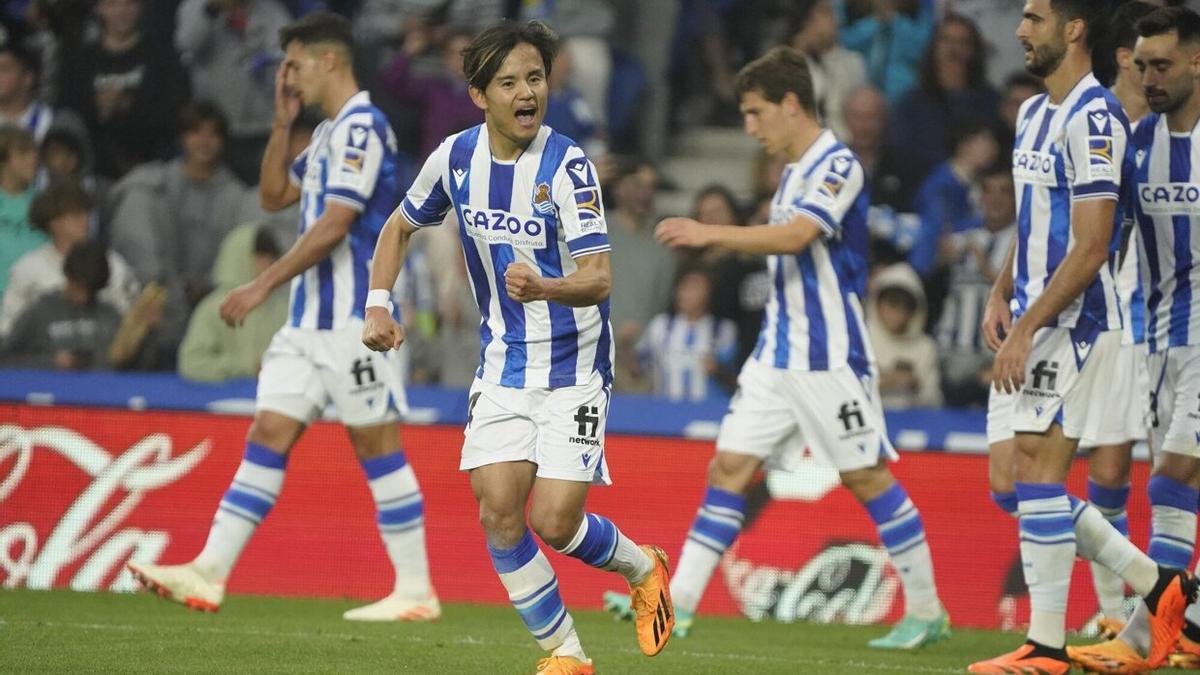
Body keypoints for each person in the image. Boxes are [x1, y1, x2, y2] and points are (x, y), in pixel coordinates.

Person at [604, 45, 951, 651]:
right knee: (729, 469)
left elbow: (796, 237)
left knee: (867, 477)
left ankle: (927, 610)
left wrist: (709, 230)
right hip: (776, 354)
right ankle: (678, 605)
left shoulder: (837, 163)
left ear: (791, 103)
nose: (749, 126)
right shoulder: (792, 171)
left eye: (755, 111)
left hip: (828, 356)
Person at [361, 20, 674, 675]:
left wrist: (544, 284)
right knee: (500, 514)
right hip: (503, 361)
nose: (527, 92)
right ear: (479, 94)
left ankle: (643, 566)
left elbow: (599, 279)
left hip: (575, 367)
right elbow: (398, 225)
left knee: (555, 522)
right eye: (510, 82)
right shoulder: (454, 158)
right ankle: (566, 654)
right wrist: (378, 304)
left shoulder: (569, 165)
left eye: (536, 77)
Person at [126, 12, 439, 624]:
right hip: (304, 327)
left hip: (354, 319)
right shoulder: (325, 134)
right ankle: (209, 573)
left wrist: (261, 283)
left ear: (328, 60)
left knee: (376, 445)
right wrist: (280, 123)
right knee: (267, 434)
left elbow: (335, 225)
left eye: (293, 63)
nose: (285, 74)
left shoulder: (362, 128)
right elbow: (273, 196)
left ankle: (417, 588)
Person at [972, 1, 1197, 672]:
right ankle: (1160, 588)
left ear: (1073, 29)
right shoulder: (1035, 114)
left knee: (1039, 470)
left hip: (1078, 323)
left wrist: (1032, 324)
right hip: (1039, 317)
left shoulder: (1096, 119)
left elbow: (1094, 243)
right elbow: (1040, 218)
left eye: (1034, 16)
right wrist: (1001, 287)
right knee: (1018, 478)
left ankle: (1047, 646)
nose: (1020, 30)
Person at [1069, 7, 1200, 672]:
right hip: (1155, 338)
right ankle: (1185, 627)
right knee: (1172, 484)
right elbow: (1100, 237)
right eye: (1141, 64)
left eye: (1162, 65)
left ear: (1197, 62)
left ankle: (1150, 635)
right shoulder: (1135, 142)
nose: (1149, 77)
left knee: (1174, 471)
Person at [1074, 0, 1160, 641]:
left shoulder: (1169, 122)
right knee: (1104, 471)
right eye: (1146, 53)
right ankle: (1116, 611)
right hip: (1109, 315)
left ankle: (1154, 610)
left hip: (1163, 319)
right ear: (1126, 56)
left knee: (1167, 468)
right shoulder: (1092, 116)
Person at [56, 0, 188, 180]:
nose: (121, 11)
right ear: (98, 8)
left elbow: (176, 114)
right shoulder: (79, 62)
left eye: (129, 3)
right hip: (91, 173)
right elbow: (66, 116)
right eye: (112, 4)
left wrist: (127, 105)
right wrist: (97, 108)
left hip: (154, 170)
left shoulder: (163, 57)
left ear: (141, 7)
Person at [0, 181, 138, 341]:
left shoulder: (113, 263)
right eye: (75, 215)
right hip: (43, 360)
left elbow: (127, 319)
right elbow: (8, 329)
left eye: (86, 213)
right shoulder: (28, 269)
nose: (84, 221)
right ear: (53, 222)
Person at [0, 240, 121, 369]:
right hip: (48, 386)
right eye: (79, 288)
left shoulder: (112, 316)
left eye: (91, 291)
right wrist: (50, 362)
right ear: (68, 275)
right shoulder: (40, 312)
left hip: (101, 386)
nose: (83, 298)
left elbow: (130, 364)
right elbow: (6, 358)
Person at [635, 269, 737, 402]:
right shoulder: (660, 326)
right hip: (664, 410)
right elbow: (638, 368)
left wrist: (717, 369)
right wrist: (626, 345)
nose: (686, 293)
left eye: (694, 287)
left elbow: (735, 378)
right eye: (684, 287)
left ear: (709, 293)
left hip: (708, 412)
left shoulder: (722, 330)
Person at [867, 263, 942, 409]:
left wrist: (915, 385)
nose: (897, 312)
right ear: (878, 303)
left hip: (911, 425)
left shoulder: (925, 347)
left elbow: (934, 401)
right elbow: (848, 390)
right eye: (892, 303)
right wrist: (889, 381)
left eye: (905, 305)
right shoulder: (862, 337)